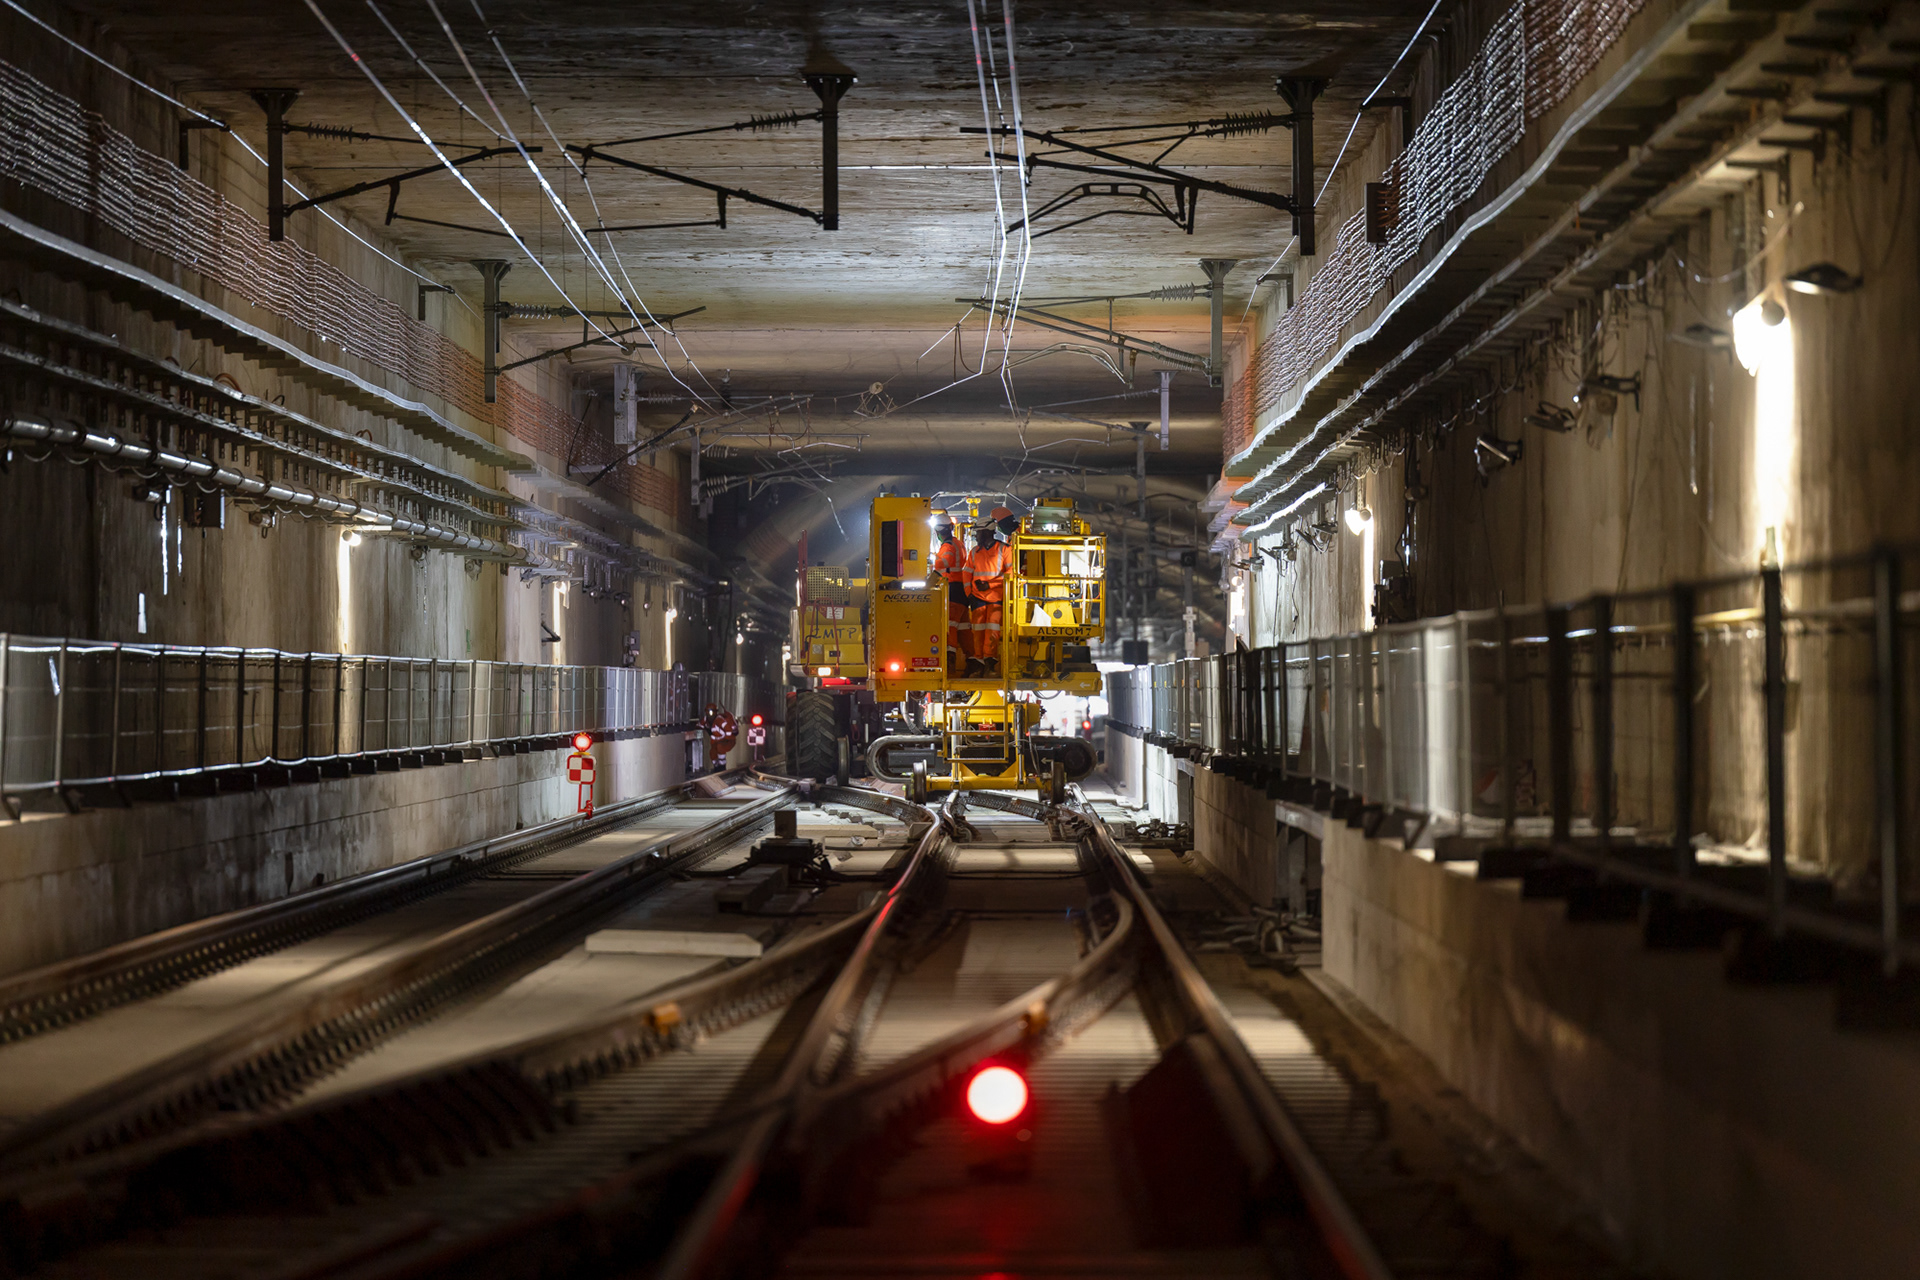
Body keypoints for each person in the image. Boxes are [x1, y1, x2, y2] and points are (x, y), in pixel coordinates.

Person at [964, 506, 1016, 674]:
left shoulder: (1005, 549)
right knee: (977, 631)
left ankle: (989, 662)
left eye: (978, 532)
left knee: (992, 631)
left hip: (996, 597)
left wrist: (990, 585)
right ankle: (979, 661)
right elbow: (967, 573)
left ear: (987, 532)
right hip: (977, 598)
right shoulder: (974, 552)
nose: (976, 536)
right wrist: (969, 594)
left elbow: (1011, 573)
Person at [930, 515, 969, 674]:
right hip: (961, 590)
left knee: (950, 625)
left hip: (952, 589)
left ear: (938, 531)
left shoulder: (948, 546)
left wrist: (930, 562)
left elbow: (943, 563)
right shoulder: (958, 543)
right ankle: (973, 661)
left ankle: (950, 660)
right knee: (964, 628)